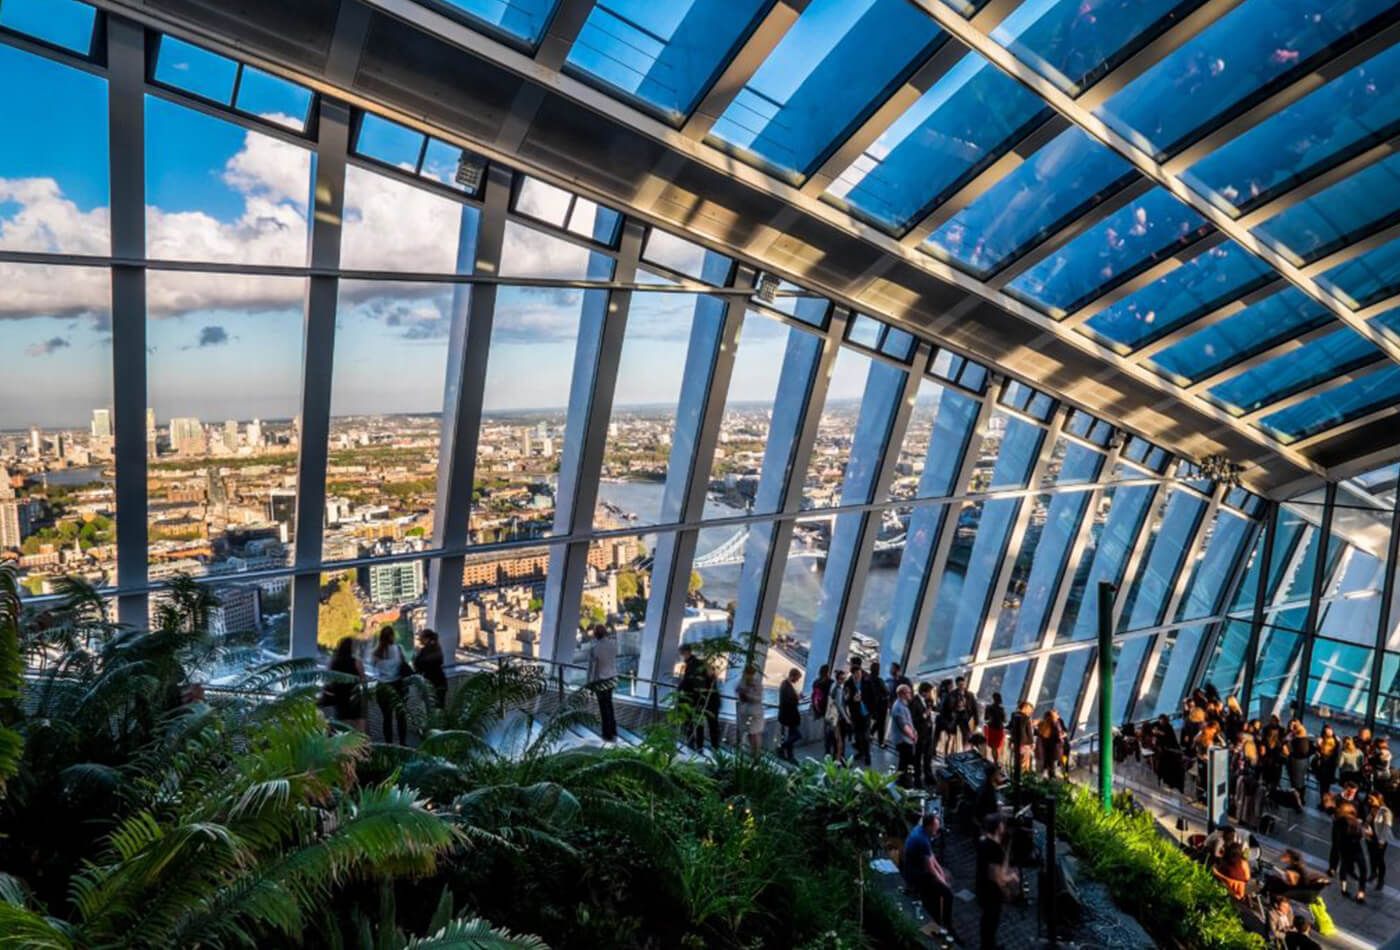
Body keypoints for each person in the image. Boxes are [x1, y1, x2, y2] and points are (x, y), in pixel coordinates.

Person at [903, 811, 954, 935]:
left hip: (918, 867)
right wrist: (944, 883)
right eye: (936, 826)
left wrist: (941, 872)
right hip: (917, 873)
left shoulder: (922, 831)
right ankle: (945, 924)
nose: (938, 829)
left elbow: (931, 856)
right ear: (929, 826)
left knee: (946, 876)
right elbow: (930, 868)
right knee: (948, 894)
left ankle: (939, 914)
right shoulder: (922, 840)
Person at [976, 815, 1017, 950]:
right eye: (1001, 824)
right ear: (998, 828)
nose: (1003, 826)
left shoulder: (982, 841)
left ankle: (987, 945)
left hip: (981, 887)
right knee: (991, 922)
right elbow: (998, 878)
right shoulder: (995, 850)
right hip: (991, 893)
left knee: (986, 921)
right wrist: (1012, 878)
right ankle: (988, 947)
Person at [369, 625, 409, 744]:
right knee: (401, 716)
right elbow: (404, 664)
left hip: (382, 687)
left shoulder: (375, 652)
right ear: (392, 636)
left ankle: (389, 744)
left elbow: (374, 668)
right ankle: (403, 742)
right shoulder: (399, 648)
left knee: (387, 718)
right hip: (398, 685)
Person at [321, 636, 366, 732]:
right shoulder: (356, 662)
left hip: (339, 697)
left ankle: (344, 746)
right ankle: (361, 746)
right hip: (354, 697)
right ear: (351, 648)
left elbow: (327, 679)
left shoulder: (333, 662)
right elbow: (363, 680)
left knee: (341, 728)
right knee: (360, 728)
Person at [585, 624, 619, 743]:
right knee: (609, 705)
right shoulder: (613, 645)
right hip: (612, 678)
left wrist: (589, 684)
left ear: (595, 635)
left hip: (601, 680)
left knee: (603, 708)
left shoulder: (595, 648)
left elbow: (592, 668)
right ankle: (613, 731)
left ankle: (607, 734)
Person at [1334, 801, 1368, 902]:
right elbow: (1356, 835)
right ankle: (1352, 890)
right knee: (1352, 867)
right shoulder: (1342, 822)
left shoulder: (1351, 822)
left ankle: (1354, 890)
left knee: (1358, 868)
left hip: (1350, 847)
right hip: (1349, 848)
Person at [677, 644, 709, 750]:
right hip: (699, 696)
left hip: (691, 697)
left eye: (682, 654)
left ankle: (691, 743)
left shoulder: (692, 664)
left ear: (686, 652)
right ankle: (698, 745)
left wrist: (679, 690)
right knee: (697, 721)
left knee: (689, 720)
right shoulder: (698, 664)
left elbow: (688, 680)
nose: (682, 656)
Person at [412, 628, 448, 710]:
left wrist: (416, 657)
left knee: (431, 708)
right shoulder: (437, 647)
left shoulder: (424, 651)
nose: (420, 641)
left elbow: (419, 666)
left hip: (431, 683)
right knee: (440, 707)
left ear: (426, 639)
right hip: (440, 681)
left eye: (421, 639)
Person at [844, 662, 872, 767]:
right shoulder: (848, 684)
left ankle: (867, 755)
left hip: (866, 713)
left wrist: (863, 698)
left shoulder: (866, 682)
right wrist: (853, 699)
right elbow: (846, 699)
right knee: (858, 735)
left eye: (860, 673)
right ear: (853, 674)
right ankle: (861, 752)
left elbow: (872, 696)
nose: (859, 675)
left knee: (866, 736)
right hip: (855, 714)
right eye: (856, 673)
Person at [890, 684, 917, 786]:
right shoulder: (899, 707)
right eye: (908, 692)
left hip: (906, 739)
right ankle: (903, 782)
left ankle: (902, 781)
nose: (910, 694)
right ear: (902, 694)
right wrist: (912, 736)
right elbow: (903, 725)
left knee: (904, 762)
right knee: (905, 762)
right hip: (903, 740)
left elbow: (908, 722)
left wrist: (914, 731)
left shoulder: (902, 705)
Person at [737, 664, 765, 755]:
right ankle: (753, 753)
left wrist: (747, 695)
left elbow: (758, 698)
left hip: (754, 712)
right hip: (747, 711)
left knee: (755, 733)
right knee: (751, 733)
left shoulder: (756, 683)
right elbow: (738, 691)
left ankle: (755, 753)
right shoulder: (743, 682)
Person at [1367, 790, 1392, 891]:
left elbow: (1387, 827)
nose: (1369, 800)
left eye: (1371, 799)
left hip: (1380, 839)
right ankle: (1373, 873)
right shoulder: (1372, 808)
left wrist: (1382, 841)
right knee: (1372, 856)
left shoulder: (1385, 811)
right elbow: (1368, 820)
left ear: (1378, 799)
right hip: (1371, 837)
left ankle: (1380, 880)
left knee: (1380, 860)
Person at [825, 669, 850, 764]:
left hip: (830, 717)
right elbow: (839, 705)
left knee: (831, 739)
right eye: (842, 678)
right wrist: (847, 719)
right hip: (836, 719)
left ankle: (831, 757)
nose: (843, 680)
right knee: (839, 741)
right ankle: (838, 761)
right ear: (839, 679)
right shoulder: (839, 689)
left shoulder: (833, 685)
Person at [777, 667, 803, 762]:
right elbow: (790, 701)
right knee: (796, 735)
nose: (797, 680)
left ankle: (789, 755)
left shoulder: (785, 685)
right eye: (797, 678)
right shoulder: (786, 686)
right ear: (793, 676)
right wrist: (797, 698)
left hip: (788, 715)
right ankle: (782, 748)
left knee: (792, 735)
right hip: (789, 716)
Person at [866, 661, 889, 750]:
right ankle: (881, 742)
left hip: (870, 705)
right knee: (881, 723)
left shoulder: (867, 679)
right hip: (880, 705)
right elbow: (886, 692)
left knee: (877, 722)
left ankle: (870, 734)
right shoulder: (879, 680)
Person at [1009, 701, 1034, 775]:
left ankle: (1016, 774)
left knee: (1017, 759)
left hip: (1016, 741)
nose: (1030, 712)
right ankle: (1021, 776)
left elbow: (1011, 727)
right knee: (1024, 761)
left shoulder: (1014, 715)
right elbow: (1029, 732)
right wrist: (1032, 743)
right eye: (1030, 709)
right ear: (1025, 708)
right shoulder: (1027, 718)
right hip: (1025, 742)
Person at [1315, 723, 1339, 800]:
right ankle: (1323, 800)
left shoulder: (1334, 740)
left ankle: (1324, 801)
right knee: (1324, 785)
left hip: (1328, 763)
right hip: (1326, 763)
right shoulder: (1335, 739)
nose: (1328, 732)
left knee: (1325, 785)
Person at [984, 692, 1006, 766]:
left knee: (993, 747)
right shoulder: (1002, 709)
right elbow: (1004, 720)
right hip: (999, 729)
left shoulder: (988, 707)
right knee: (996, 747)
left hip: (992, 728)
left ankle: (995, 761)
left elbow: (986, 718)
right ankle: (996, 762)